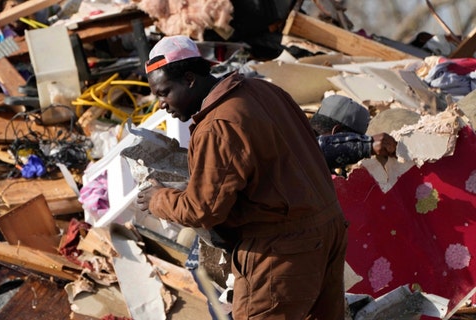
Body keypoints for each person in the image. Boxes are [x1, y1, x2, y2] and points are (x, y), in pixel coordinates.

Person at [136, 35, 348, 319]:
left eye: (164, 92)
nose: (161, 104)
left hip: (283, 250)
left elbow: (203, 209)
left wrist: (157, 199)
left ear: (189, 79)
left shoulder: (218, 124)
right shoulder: (262, 90)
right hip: (328, 228)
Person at [309, 95, 398, 175]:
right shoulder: (304, 152)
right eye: (353, 138)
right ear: (337, 133)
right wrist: (366, 145)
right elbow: (314, 150)